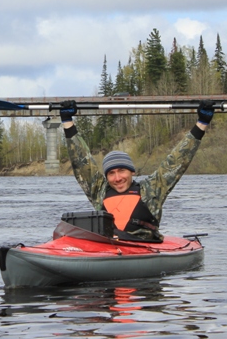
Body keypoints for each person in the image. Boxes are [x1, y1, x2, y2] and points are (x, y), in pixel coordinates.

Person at [59, 99, 215, 242]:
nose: (117, 177)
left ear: (132, 172)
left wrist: (201, 123)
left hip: (143, 246)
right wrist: (68, 123)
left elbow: (176, 162)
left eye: (122, 171)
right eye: (111, 173)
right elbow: (81, 162)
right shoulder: (99, 190)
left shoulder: (151, 189)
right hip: (109, 247)